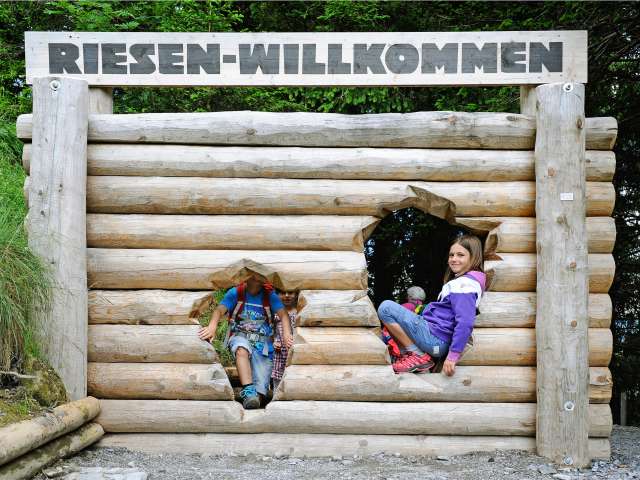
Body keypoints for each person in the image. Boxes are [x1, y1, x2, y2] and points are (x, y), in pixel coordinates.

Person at [377, 234, 486, 376]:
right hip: (435, 343)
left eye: (460, 255)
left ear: (474, 257)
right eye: (451, 255)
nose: (454, 259)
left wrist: (453, 356)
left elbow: (465, 321)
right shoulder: (466, 282)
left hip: (435, 340)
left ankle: (416, 356)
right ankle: (411, 359)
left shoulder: (464, 285)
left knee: (386, 308)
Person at [197, 275, 294, 409]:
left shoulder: (269, 295)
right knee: (241, 349)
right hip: (240, 335)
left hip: (263, 344)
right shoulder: (236, 293)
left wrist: (287, 334)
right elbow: (219, 310)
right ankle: (248, 389)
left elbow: (283, 315)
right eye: (253, 274)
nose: (257, 277)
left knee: (260, 391)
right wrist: (212, 327)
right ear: (246, 276)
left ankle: (254, 398)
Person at [271, 289, 298, 392]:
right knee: (278, 380)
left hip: (294, 352)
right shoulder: (275, 313)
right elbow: (271, 331)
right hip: (279, 354)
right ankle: (276, 397)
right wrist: (274, 341)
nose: (286, 296)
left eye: (290, 293)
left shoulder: (299, 313)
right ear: (277, 295)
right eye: (282, 293)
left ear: (296, 294)